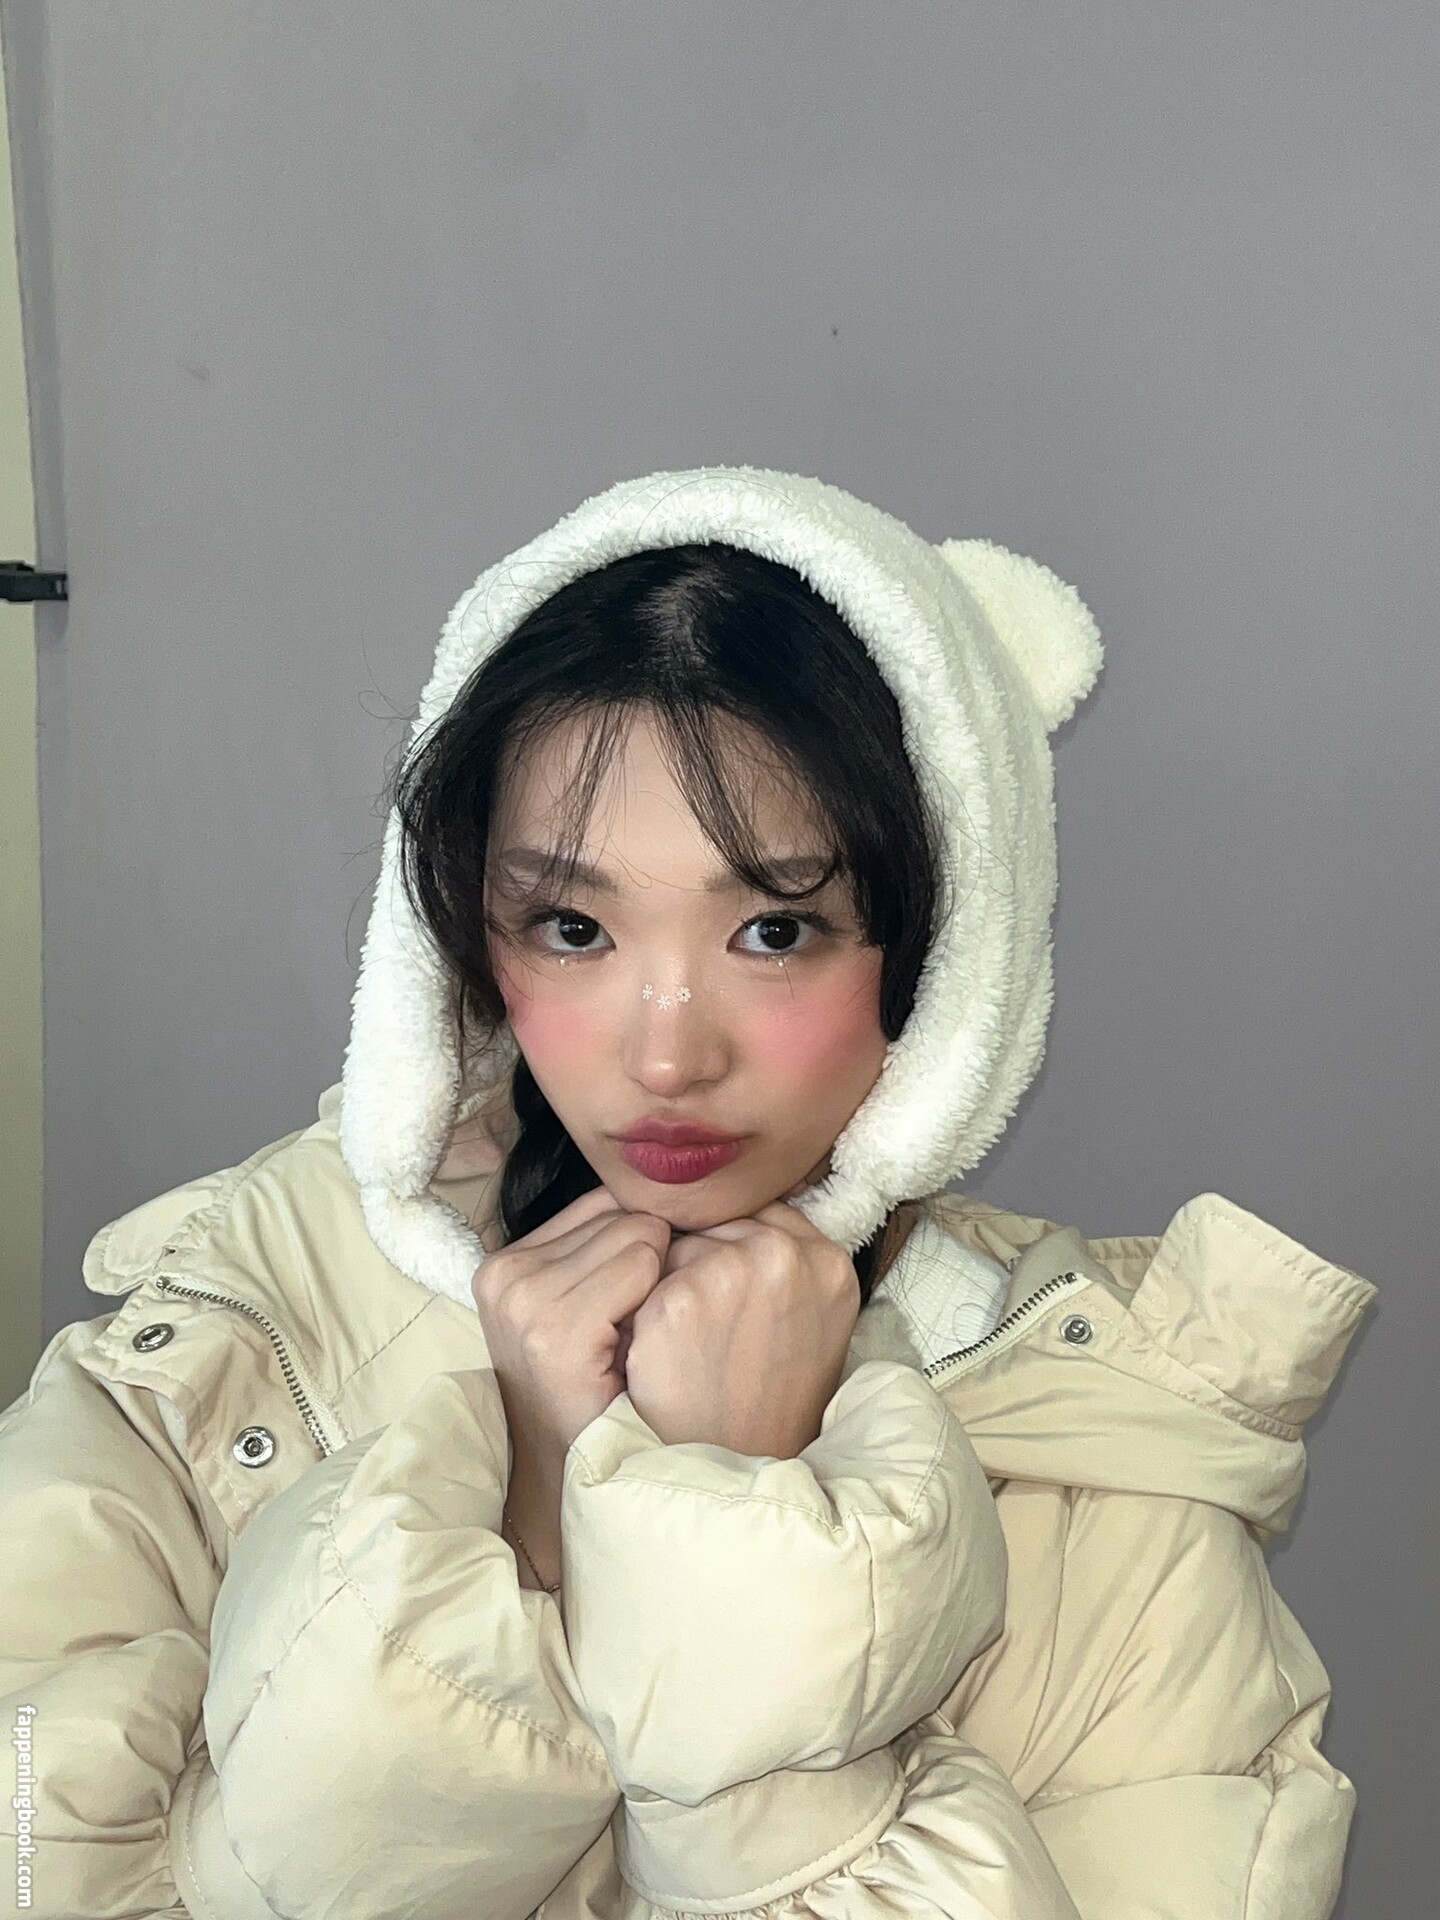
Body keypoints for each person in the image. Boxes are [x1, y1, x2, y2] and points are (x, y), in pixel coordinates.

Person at [0, 466, 1377, 1920]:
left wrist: (737, 1538)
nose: (666, 1056)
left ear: (945, 956)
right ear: (464, 938)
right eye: (571, 925)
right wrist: (525, 1507)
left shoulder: (1116, 1485)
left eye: (774, 930)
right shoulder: (231, 1330)